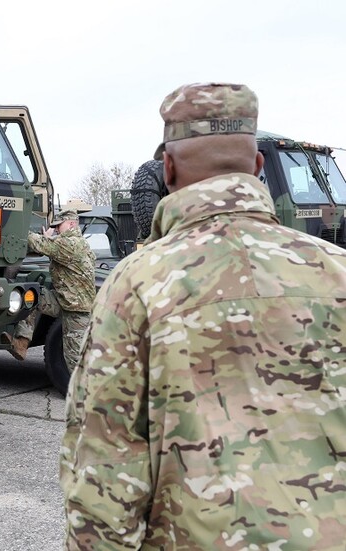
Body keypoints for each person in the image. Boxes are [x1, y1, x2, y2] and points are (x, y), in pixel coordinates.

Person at [60, 82, 346, 549]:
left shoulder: (136, 285)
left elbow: (105, 475)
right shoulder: (338, 272)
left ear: (168, 169)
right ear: (258, 168)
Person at [7, 209, 96, 377]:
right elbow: (52, 250)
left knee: (74, 360)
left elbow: (38, 243)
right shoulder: (78, 244)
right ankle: (22, 342)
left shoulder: (70, 244)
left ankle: (87, 391)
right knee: (32, 296)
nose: (55, 229)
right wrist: (48, 239)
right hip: (65, 301)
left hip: (77, 311)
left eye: (58, 226)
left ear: (71, 224)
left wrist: (17, 227)